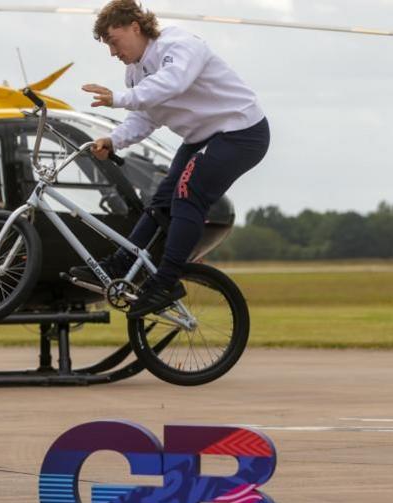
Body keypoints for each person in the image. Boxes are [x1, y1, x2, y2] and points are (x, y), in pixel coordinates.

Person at [71, 0, 270, 318]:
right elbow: (145, 117)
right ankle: (124, 262)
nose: (112, 52)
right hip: (202, 137)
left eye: (113, 41)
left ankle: (166, 282)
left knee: (186, 194)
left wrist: (118, 99)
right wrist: (113, 140)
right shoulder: (134, 75)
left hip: (240, 132)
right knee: (160, 201)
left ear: (135, 27)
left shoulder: (179, 45)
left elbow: (171, 84)